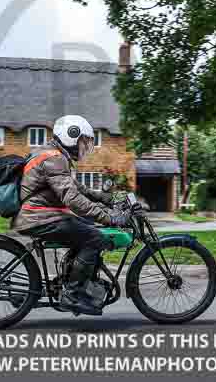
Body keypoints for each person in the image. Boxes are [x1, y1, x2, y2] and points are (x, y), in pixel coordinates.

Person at [12, 115, 131, 315]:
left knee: (85, 229)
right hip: (38, 216)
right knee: (94, 237)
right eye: (83, 142)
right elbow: (73, 199)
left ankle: (70, 279)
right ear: (71, 136)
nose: (84, 148)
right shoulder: (54, 158)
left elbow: (78, 189)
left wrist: (106, 199)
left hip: (42, 214)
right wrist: (110, 218)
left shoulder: (54, 155)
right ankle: (73, 293)